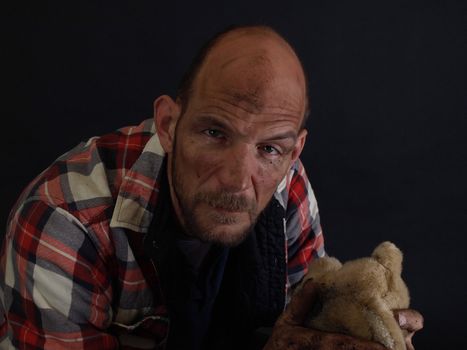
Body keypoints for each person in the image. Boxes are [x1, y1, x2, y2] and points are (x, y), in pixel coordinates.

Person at [0, 25, 422, 349]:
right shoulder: (65, 220)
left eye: (270, 148)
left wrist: (359, 324)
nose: (238, 181)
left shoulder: (287, 186)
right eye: (215, 133)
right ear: (168, 125)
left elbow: (301, 326)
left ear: (293, 152)